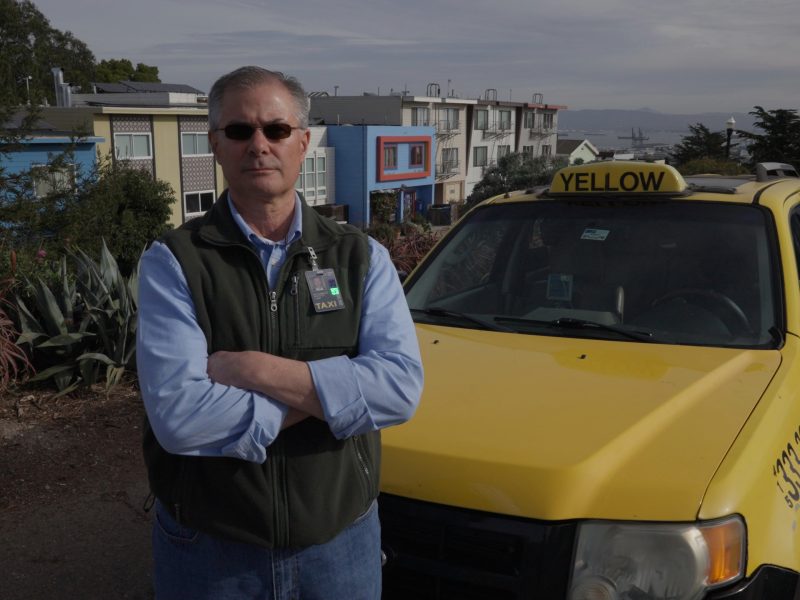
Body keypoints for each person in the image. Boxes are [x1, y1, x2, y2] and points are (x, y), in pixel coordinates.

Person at [136, 66, 423, 600]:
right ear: (216, 145)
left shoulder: (361, 257)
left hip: (340, 547)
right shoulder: (174, 262)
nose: (259, 145)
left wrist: (253, 371)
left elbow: (399, 389)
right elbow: (179, 418)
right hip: (210, 551)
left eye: (276, 129)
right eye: (240, 131)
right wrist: (334, 400)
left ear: (304, 142)